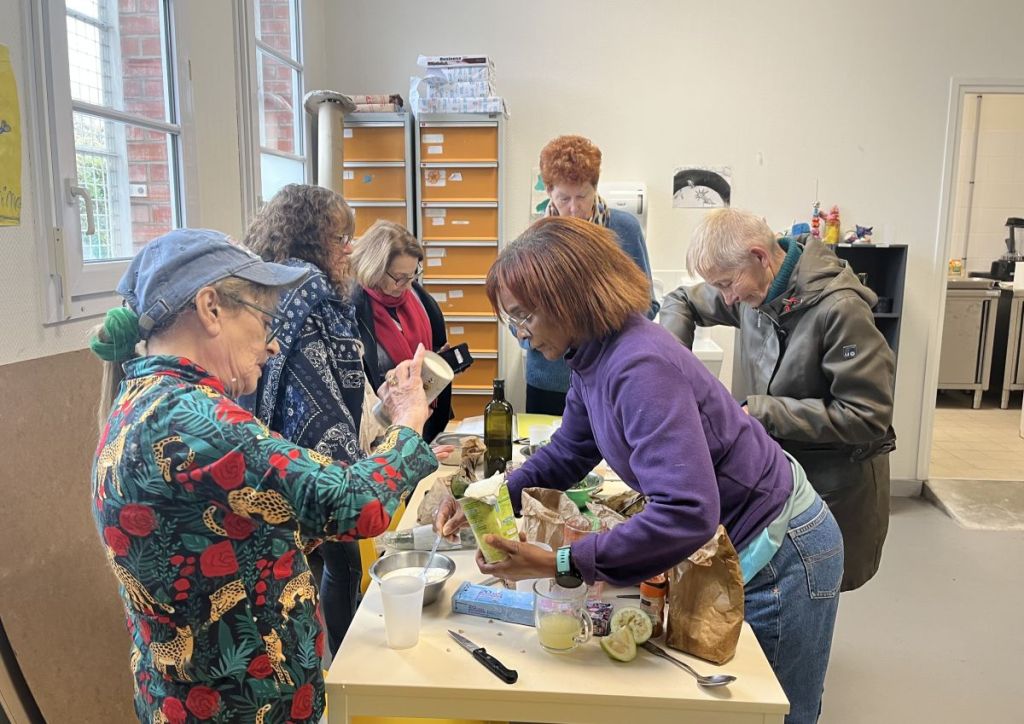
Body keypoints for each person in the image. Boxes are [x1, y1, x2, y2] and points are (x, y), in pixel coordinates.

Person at [436, 217, 842, 724]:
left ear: (566, 299)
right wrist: (487, 494)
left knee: (774, 712)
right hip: (736, 535)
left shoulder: (638, 366)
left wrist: (558, 562)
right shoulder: (593, 352)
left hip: (783, 548)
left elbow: (686, 513)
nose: (521, 336)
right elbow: (570, 449)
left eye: (524, 317)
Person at [90, 228, 437, 724]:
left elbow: (237, 540)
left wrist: (378, 422)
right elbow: (361, 503)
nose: (273, 345)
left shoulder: (141, 401)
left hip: (182, 701)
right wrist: (407, 422)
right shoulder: (196, 420)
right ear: (211, 309)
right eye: (264, 319)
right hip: (244, 708)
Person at [659, 208, 896, 592]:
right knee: (774, 587)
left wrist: (764, 412)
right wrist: (669, 374)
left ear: (760, 257)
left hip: (832, 483)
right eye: (718, 286)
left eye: (727, 283)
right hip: (776, 473)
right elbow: (681, 301)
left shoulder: (841, 309)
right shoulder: (752, 286)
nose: (728, 297)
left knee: (812, 589)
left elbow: (867, 416)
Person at [240, 184, 369, 656]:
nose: (348, 250)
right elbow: (329, 394)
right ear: (313, 240)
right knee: (342, 559)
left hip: (267, 453)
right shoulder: (313, 289)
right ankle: (351, 659)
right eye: (340, 239)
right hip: (312, 466)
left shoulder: (268, 285)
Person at [525, 134, 659, 414]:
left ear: (595, 188)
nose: (574, 209)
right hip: (550, 380)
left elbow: (648, 304)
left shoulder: (624, 229)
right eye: (563, 198)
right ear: (549, 191)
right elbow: (519, 313)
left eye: (582, 196)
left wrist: (605, 326)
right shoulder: (535, 239)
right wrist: (526, 330)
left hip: (607, 375)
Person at [349, 219, 453, 442]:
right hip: (381, 431)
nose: (407, 285)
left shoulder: (418, 298)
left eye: (413, 275)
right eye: (399, 277)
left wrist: (440, 360)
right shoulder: (352, 310)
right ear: (374, 266)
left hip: (426, 422)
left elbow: (431, 347)